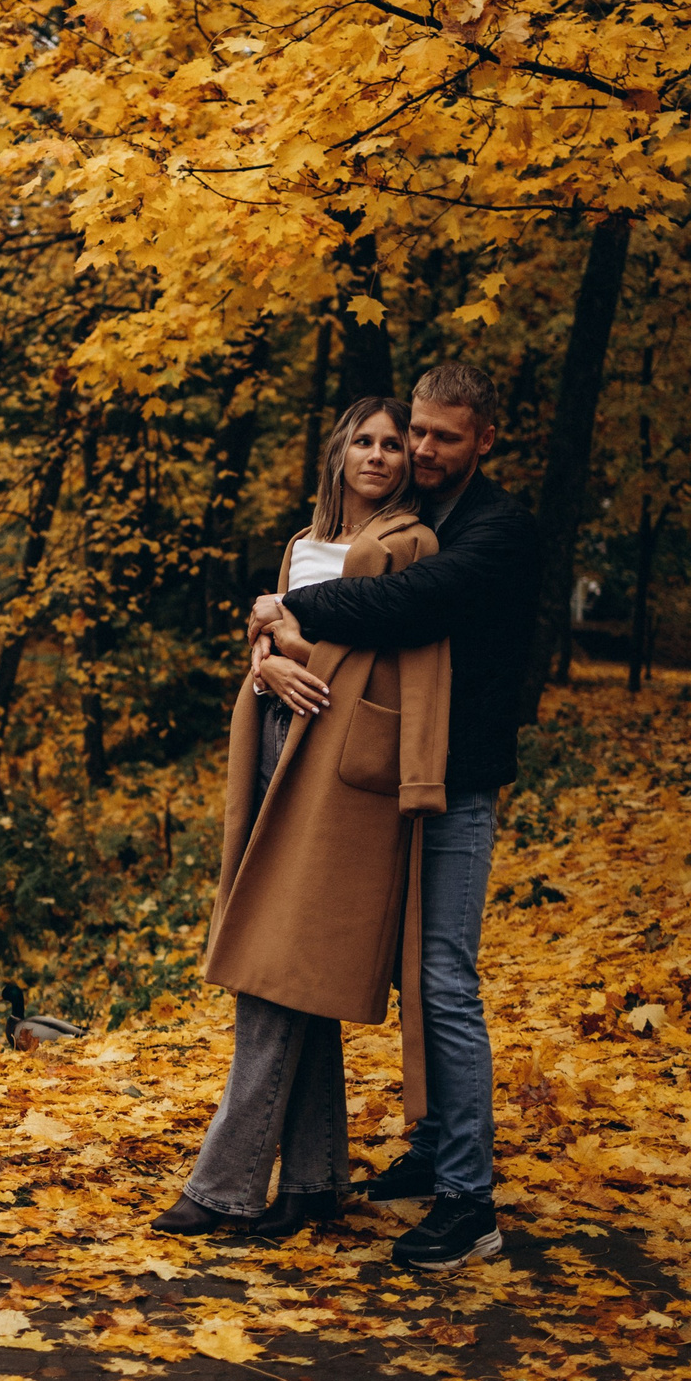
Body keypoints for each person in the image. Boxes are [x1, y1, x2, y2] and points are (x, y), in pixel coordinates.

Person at [249, 361, 536, 1273]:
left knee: (445, 980)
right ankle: (432, 1149)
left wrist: (286, 605)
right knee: (412, 974)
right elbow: (334, 562)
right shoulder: (417, 511)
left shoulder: (493, 531)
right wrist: (266, 646)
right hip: (395, 779)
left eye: (444, 437)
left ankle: (469, 1202)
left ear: (485, 439)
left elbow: (404, 605)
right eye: (416, 431)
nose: (421, 449)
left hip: (455, 784)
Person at [153, 398, 454, 1240]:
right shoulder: (299, 543)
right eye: (364, 440)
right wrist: (263, 651)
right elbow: (282, 625)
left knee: (275, 963)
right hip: (275, 737)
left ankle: (225, 1184)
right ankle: (316, 1180)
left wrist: (278, 647)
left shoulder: (410, 545)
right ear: (338, 452)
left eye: (395, 444)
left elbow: (377, 654)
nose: (381, 454)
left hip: (337, 758)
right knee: (295, 965)